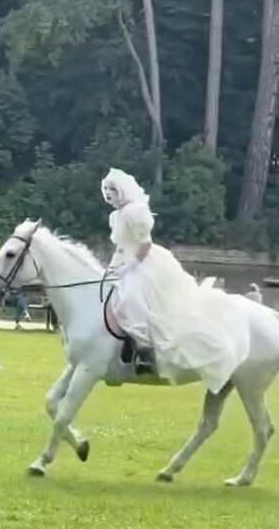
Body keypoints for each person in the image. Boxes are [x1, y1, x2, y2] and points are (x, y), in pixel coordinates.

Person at [102, 168, 251, 391]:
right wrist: (112, 268)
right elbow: (121, 247)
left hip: (146, 264)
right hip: (127, 263)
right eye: (105, 193)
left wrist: (132, 267)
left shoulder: (135, 212)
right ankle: (124, 348)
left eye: (110, 193)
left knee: (130, 300)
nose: (108, 197)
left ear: (120, 192)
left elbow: (145, 244)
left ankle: (145, 350)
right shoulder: (116, 216)